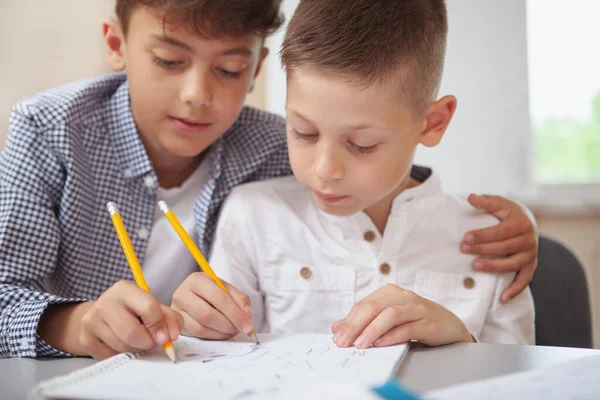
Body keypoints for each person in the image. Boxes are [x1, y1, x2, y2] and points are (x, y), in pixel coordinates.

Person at [0, 0, 535, 359]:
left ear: (256, 69)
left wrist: (518, 225)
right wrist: (74, 324)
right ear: (116, 44)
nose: (196, 94)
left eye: (230, 70)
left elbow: (387, 178)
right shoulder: (50, 131)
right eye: (167, 60)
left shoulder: (274, 143)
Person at [180, 0, 535, 347]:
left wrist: (461, 342)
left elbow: (523, 383)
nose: (324, 170)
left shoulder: (494, 241)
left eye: (362, 144)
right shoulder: (251, 216)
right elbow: (224, 364)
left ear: (432, 123)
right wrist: (200, 323)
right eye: (303, 132)